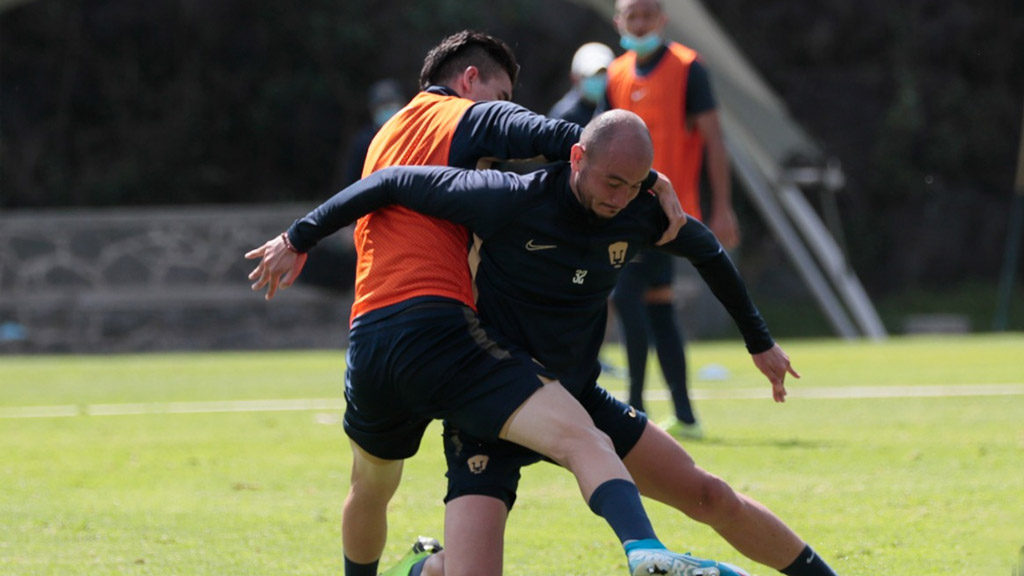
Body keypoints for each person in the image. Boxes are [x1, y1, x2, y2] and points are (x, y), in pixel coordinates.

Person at [267, 110, 838, 576]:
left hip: (576, 393)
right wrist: (300, 237)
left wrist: (758, 342)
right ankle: (419, 571)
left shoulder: (640, 210)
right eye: (611, 182)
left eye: (634, 185)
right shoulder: (510, 197)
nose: (620, 198)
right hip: (490, 403)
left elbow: (707, 249)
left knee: (710, 496)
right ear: (577, 158)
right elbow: (391, 181)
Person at [245, 31, 713, 576]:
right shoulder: (471, 116)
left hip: (369, 335)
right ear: (470, 80)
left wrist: (297, 238)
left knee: (370, 487)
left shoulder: (385, 134)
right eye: (503, 94)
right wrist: (647, 177)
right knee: (581, 433)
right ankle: (644, 551)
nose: (507, 108)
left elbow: (379, 194)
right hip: (435, 329)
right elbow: (564, 135)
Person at [606, 0, 742, 440]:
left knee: (627, 296)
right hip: (623, 211)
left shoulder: (688, 68)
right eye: (632, 16)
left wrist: (721, 206)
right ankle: (683, 414)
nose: (640, 23)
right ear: (618, 22)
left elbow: (714, 140)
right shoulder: (616, 74)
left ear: (663, 20)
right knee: (658, 303)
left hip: (667, 214)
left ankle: (634, 410)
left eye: (648, 15)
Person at [341, 78, 407, 187]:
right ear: (373, 109)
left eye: (391, 104)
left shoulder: (412, 135)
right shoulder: (363, 142)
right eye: (382, 105)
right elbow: (352, 181)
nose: (387, 109)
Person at [548, 42, 615, 126]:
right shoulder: (565, 116)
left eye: (603, 74)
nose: (598, 80)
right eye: (591, 75)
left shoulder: (617, 107)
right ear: (575, 78)